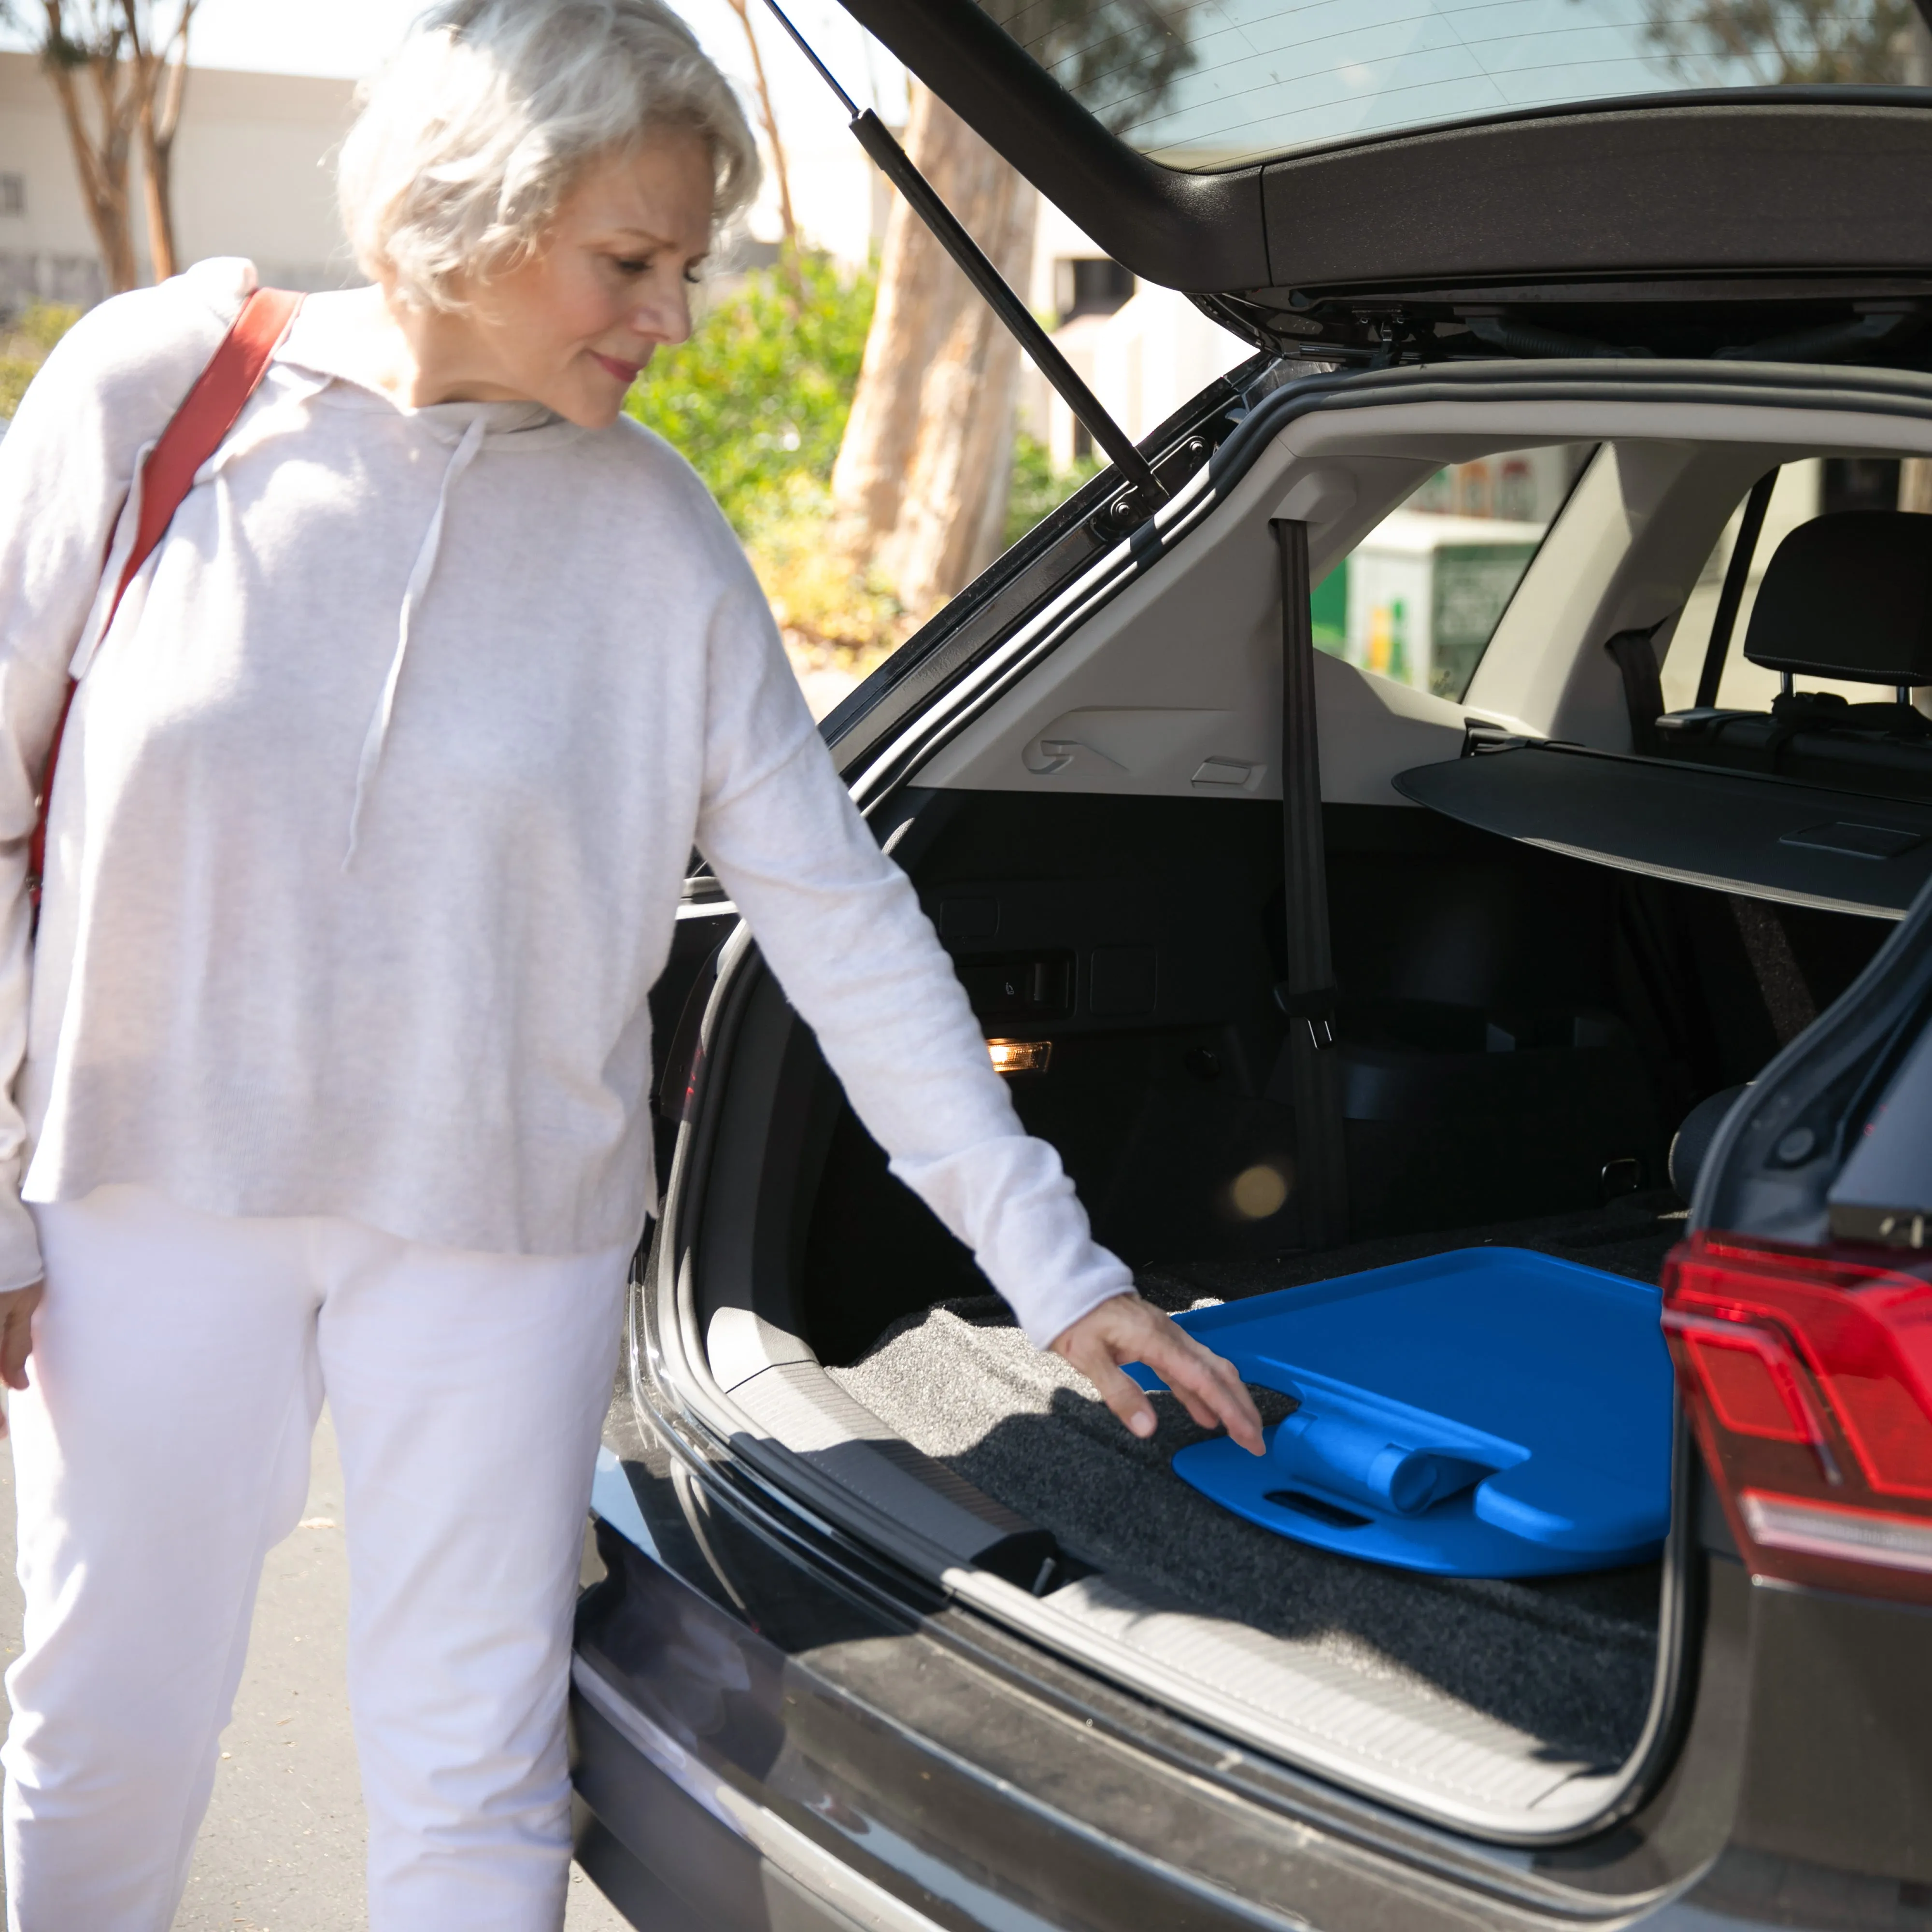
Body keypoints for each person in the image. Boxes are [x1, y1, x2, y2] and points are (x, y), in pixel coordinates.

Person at [0, 1, 1263, 1925]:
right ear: (459, 212)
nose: (672, 314)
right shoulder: (161, 392)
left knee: (471, 1753)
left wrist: (1058, 1272)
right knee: (103, 1728)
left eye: (687, 263)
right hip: (146, 1189)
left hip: (503, 1230)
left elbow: (842, 918)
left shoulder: (660, 539)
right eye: (630, 259)